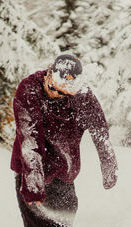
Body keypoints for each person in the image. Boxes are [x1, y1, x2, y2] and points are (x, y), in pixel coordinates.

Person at [10, 54, 118, 227]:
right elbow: (31, 140)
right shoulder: (29, 89)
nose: (56, 94)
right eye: (53, 88)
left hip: (64, 171)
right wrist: (34, 186)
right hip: (31, 171)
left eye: (63, 93)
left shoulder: (82, 96)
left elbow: (100, 130)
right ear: (50, 73)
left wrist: (109, 166)